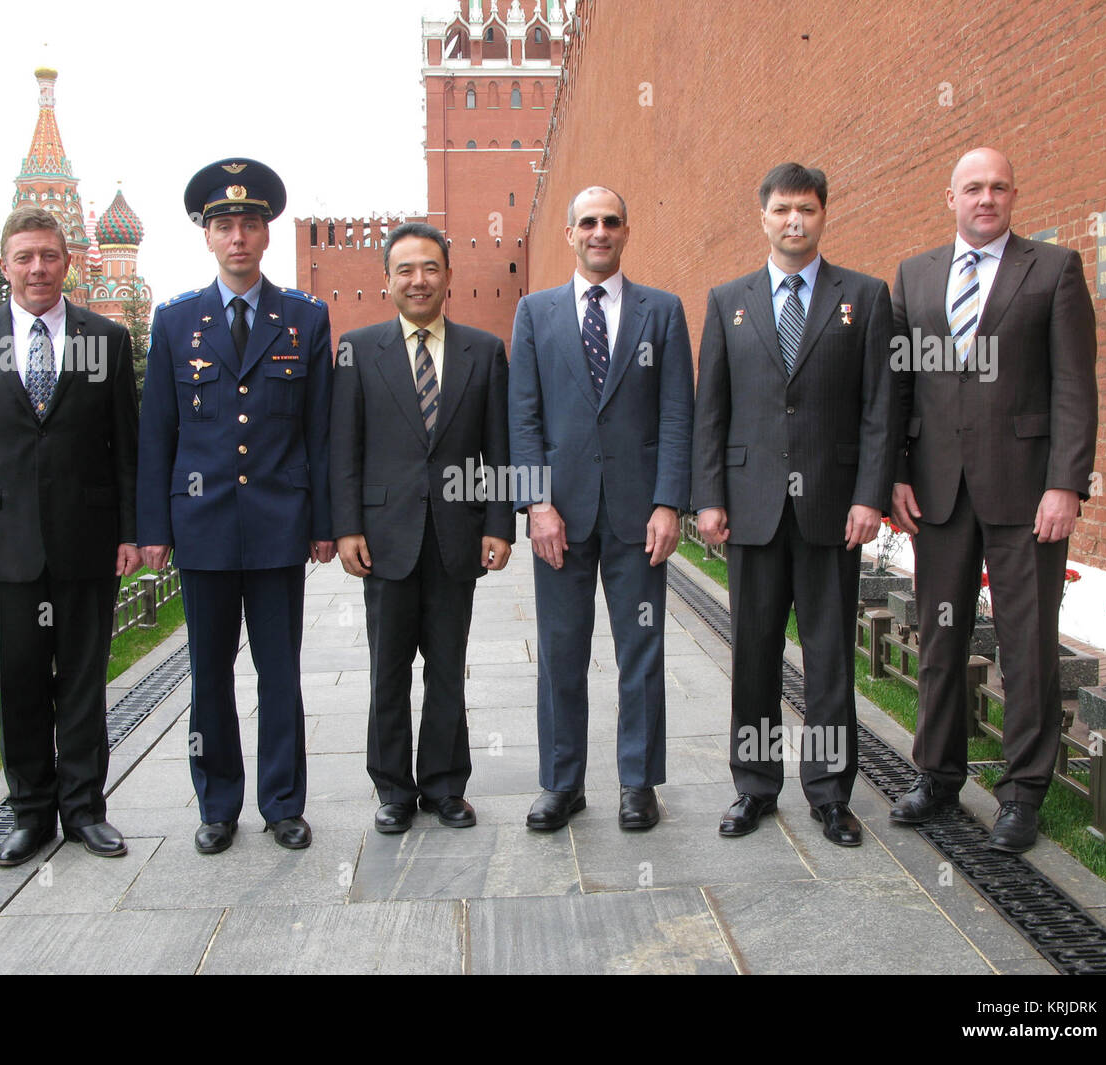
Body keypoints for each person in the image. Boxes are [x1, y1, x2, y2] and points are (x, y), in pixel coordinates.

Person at [889, 147, 1098, 853]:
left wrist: (1066, 482)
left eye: (998, 187)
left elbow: (1074, 383)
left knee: (1028, 645)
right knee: (940, 638)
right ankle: (938, 776)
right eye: (973, 188)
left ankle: (1022, 792)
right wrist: (896, 472)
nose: (986, 198)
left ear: (1014, 196)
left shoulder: (1054, 270)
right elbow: (900, 384)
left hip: (1025, 489)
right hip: (939, 491)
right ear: (949, 197)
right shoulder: (915, 275)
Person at [691, 163, 894, 847]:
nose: (794, 221)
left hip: (833, 513)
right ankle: (753, 785)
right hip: (750, 509)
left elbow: (879, 410)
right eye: (781, 209)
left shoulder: (864, 297)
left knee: (830, 655)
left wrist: (871, 496)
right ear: (763, 217)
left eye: (805, 209)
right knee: (752, 653)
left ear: (823, 214)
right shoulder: (729, 301)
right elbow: (709, 411)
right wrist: (708, 499)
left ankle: (832, 793)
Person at [137, 158, 334, 855]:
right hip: (204, 530)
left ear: (267, 233)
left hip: (280, 530)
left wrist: (325, 523)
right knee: (209, 674)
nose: (238, 237)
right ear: (207, 236)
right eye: (225, 225)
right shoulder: (175, 321)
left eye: (250, 223)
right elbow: (156, 432)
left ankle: (283, 801)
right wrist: (153, 528)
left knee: (280, 673)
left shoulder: (305, 319)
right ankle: (217, 802)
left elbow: (321, 430)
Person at [0, 205, 139, 866]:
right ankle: (31, 814)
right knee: (20, 682)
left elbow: (124, 450)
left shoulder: (105, 339)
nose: (38, 268)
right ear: (4, 265)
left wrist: (131, 531)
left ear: (68, 260)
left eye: (49, 255)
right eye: (24, 257)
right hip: (2, 548)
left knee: (82, 681)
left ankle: (84, 810)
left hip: (87, 541)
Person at [508, 185, 694, 832]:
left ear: (625, 231)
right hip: (561, 515)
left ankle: (638, 782)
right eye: (587, 222)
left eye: (611, 221)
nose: (599, 232)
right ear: (569, 233)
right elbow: (523, 417)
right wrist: (536, 504)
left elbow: (676, 413)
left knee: (640, 649)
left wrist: (671, 501)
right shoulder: (535, 314)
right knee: (560, 649)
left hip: (639, 517)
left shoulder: (662, 312)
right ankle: (562, 783)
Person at [330, 223, 514, 833]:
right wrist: (348, 525)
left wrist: (499, 524)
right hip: (384, 538)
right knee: (388, 668)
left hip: (456, 536)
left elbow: (500, 447)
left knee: (446, 665)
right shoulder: (358, 350)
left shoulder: (483, 351)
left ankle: (444, 784)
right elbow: (344, 449)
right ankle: (391, 789)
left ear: (449, 277)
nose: (418, 280)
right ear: (387, 281)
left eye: (430, 268)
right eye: (405, 270)